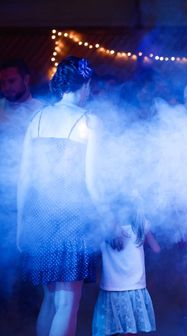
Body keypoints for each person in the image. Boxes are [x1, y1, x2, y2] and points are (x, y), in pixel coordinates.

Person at [17, 56, 103, 336]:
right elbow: (92, 183)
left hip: (39, 214)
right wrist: (108, 218)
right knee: (68, 302)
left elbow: (25, 177)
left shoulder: (38, 117)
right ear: (85, 84)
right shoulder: (89, 120)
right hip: (72, 215)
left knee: (51, 299)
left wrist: (20, 224)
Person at [92, 199, 160, 336]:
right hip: (134, 287)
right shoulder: (141, 225)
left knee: (110, 330)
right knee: (130, 330)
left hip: (111, 288)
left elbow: (93, 253)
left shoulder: (103, 229)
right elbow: (156, 249)